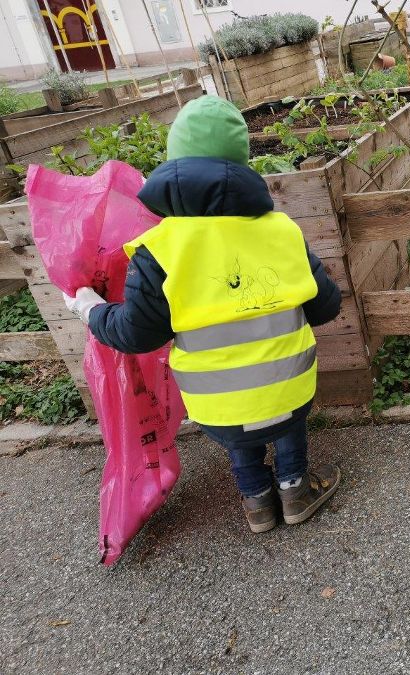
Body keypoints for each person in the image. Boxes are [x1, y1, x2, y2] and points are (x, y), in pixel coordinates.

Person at [64, 95, 343, 534]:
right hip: (291, 387)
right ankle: (295, 492)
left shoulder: (160, 249)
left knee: (239, 435)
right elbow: (326, 307)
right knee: (287, 422)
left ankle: (258, 506)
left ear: (175, 163)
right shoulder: (282, 231)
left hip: (216, 403)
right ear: (242, 162)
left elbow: (137, 335)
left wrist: (90, 308)